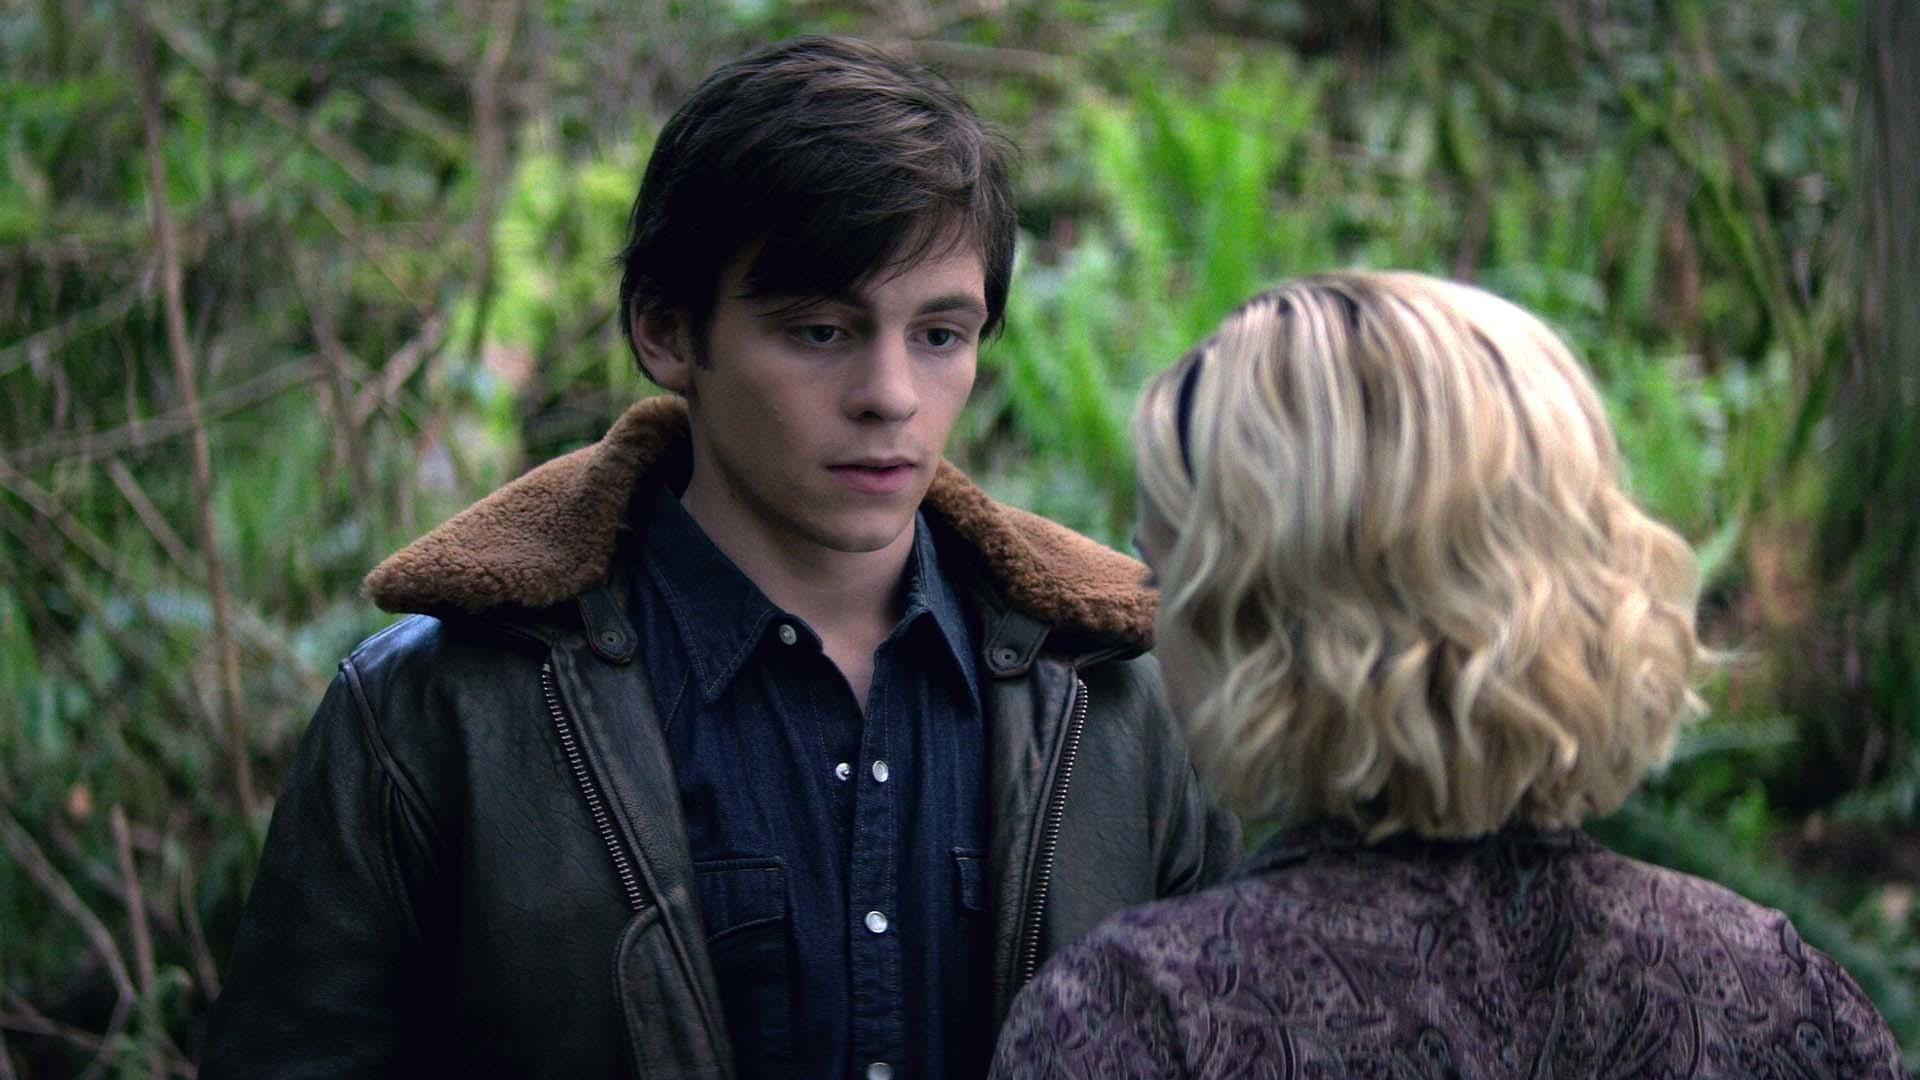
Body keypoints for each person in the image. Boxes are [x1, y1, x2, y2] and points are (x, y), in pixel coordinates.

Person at [199, 36, 1239, 1080]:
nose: (890, 395)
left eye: (939, 335)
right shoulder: (441, 710)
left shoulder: (1115, 703)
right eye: (821, 331)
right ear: (666, 332)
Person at [990, 271, 1905, 1079]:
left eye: (1164, 576)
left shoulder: (1142, 1018)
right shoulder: (1774, 994)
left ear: (1258, 617)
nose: (1157, 625)